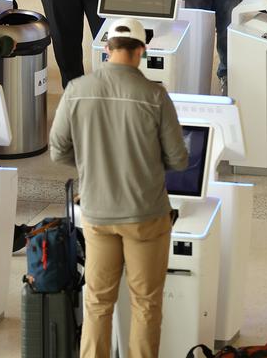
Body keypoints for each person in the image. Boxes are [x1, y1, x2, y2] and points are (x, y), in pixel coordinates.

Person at [49, 18, 189, 358]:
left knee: (97, 302)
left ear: (107, 49)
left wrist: (92, 165)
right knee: (145, 304)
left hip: (97, 213)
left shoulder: (77, 90)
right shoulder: (154, 95)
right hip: (146, 215)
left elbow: (58, 151)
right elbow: (179, 159)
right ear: (141, 50)